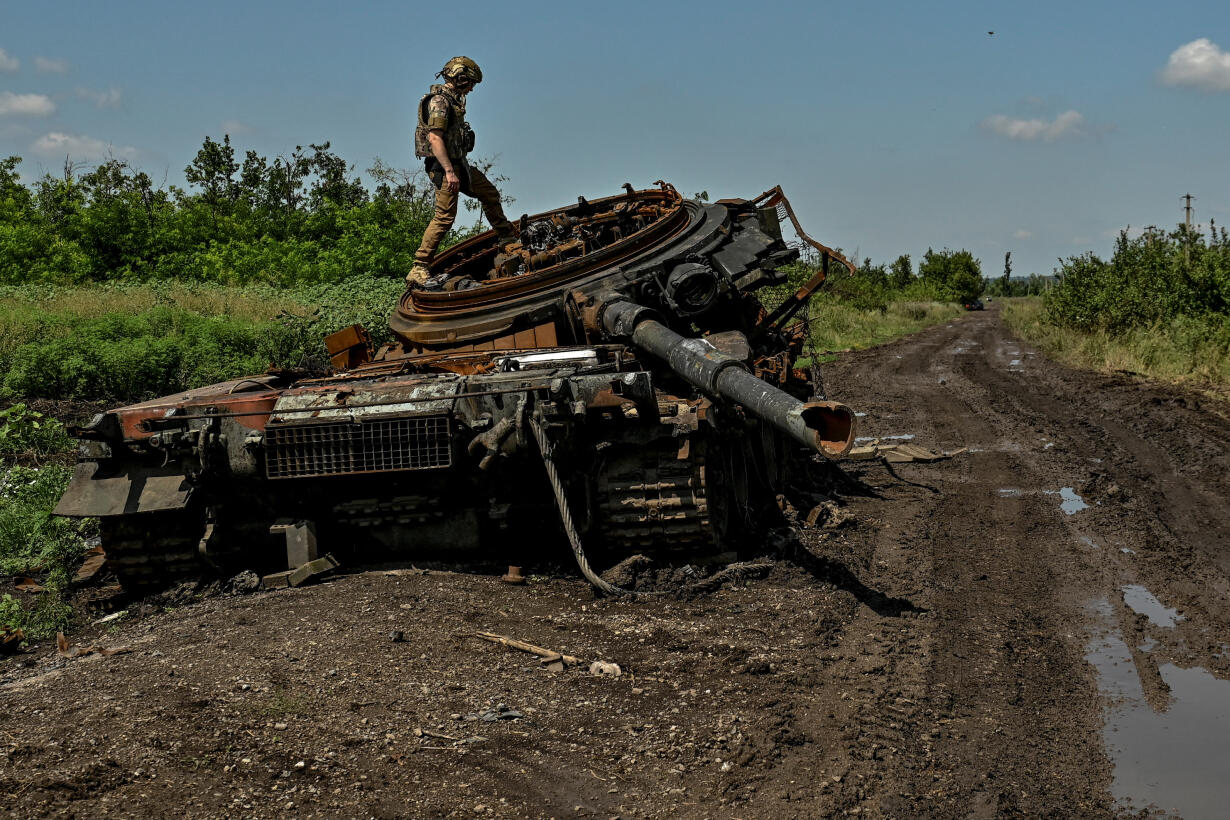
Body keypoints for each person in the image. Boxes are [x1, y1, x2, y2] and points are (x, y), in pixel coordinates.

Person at [407, 56, 517, 289]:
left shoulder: (453, 101)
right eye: (470, 83)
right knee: (444, 217)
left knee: (489, 193)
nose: (472, 88)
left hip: (459, 164)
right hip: (444, 167)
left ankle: (507, 237)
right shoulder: (439, 102)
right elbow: (435, 138)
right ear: (461, 78)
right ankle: (419, 267)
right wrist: (449, 172)